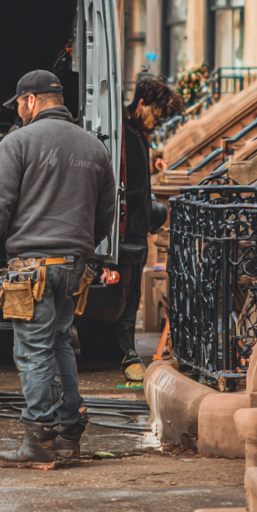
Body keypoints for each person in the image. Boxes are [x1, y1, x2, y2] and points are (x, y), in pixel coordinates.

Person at [0, 70, 116, 467]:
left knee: (33, 351)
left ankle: (38, 441)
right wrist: (84, 245)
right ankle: (69, 432)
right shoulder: (94, 146)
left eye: (18, 104)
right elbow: (106, 213)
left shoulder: (18, 141)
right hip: (74, 265)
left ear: (31, 100)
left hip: (31, 267)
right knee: (61, 344)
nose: (18, 112)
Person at [113, 77, 182, 382]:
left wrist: (151, 159)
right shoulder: (122, 134)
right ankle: (126, 353)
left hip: (139, 231)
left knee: (132, 298)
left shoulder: (138, 134)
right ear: (141, 104)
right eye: (156, 115)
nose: (158, 123)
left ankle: (126, 351)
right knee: (124, 298)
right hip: (124, 231)